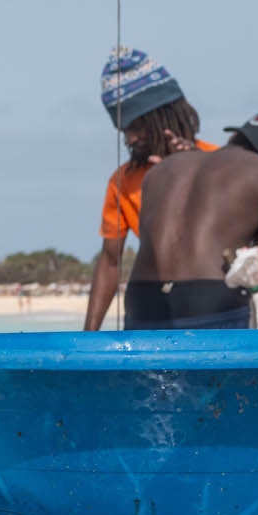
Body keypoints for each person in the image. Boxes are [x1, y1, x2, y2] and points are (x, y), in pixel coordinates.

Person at [126, 111, 258, 330]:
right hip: (212, 299)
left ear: (236, 137)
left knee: (150, 366)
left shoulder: (162, 168)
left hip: (142, 298)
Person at [82, 48, 215, 330]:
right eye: (124, 129)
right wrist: (87, 337)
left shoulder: (220, 164)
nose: (130, 138)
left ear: (165, 114)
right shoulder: (123, 181)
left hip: (211, 304)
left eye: (137, 125)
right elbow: (109, 260)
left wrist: (187, 168)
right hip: (147, 307)